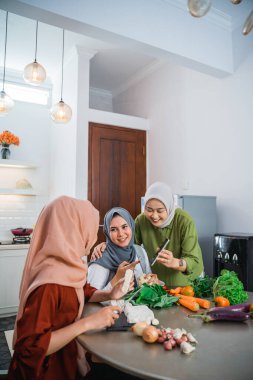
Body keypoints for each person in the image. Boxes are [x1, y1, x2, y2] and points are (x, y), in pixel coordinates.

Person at [7, 196, 134, 380]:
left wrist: (109, 292)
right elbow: (30, 349)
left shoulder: (64, 264)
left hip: (66, 358)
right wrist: (87, 323)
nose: (91, 234)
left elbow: (81, 290)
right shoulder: (50, 283)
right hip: (46, 372)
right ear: (73, 230)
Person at [92, 182, 204, 287]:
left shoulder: (184, 221)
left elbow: (193, 260)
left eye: (160, 211)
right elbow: (126, 244)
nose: (154, 216)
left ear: (169, 208)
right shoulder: (141, 220)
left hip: (186, 285)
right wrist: (107, 245)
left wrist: (174, 262)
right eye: (149, 209)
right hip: (157, 284)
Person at [88, 207, 153, 291]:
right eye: (113, 229)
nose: (121, 234)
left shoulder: (140, 251)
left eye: (124, 226)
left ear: (131, 226)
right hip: (112, 304)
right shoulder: (101, 257)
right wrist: (117, 278)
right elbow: (90, 297)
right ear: (107, 232)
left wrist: (153, 282)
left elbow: (148, 281)